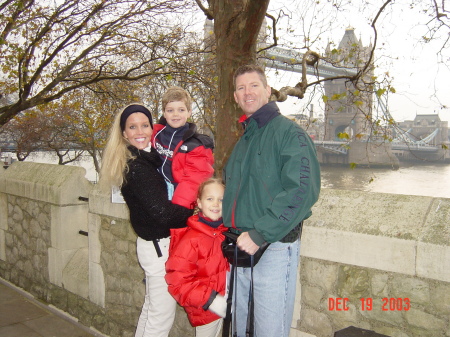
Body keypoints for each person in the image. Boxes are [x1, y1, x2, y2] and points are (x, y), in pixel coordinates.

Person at [222, 64, 321, 337]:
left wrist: (260, 233)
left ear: (268, 91)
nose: (247, 92)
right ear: (235, 97)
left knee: (268, 331)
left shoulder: (289, 133)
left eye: (254, 85)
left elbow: (302, 190)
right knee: (241, 329)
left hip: (272, 246)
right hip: (241, 247)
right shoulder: (245, 139)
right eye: (241, 88)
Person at [100, 104, 193, 337]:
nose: (139, 131)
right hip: (157, 246)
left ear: (153, 128)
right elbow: (161, 212)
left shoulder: (144, 159)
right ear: (124, 133)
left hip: (152, 245)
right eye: (132, 127)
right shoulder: (138, 166)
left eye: (144, 125)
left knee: (152, 310)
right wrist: (195, 212)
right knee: (160, 317)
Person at [165, 178, 229, 337]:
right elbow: (177, 282)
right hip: (206, 308)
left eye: (221, 199)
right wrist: (211, 300)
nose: (216, 204)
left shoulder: (225, 232)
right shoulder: (191, 240)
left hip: (225, 303)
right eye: (210, 199)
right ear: (199, 203)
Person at [152, 86, 214, 209]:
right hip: (155, 189)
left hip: (177, 194)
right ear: (164, 113)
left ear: (189, 112)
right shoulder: (154, 134)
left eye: (181, 110)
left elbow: (193, 180)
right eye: (170, 110)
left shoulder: (196, 145)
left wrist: (177, 209)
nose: (175, 114)